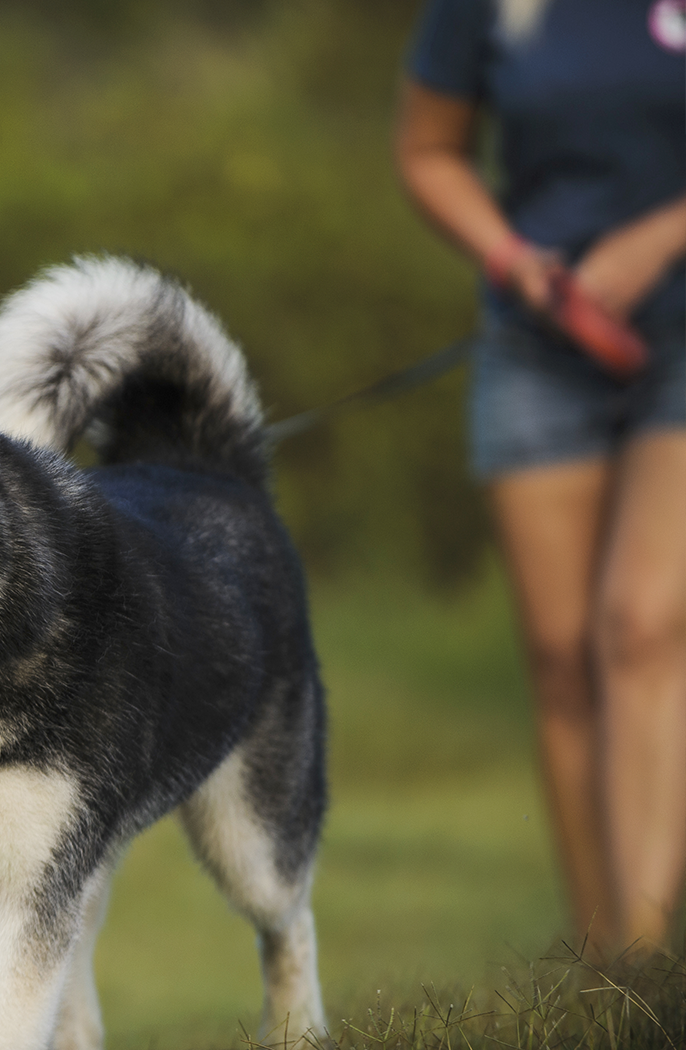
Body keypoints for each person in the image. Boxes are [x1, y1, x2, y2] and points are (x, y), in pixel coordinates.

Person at [395, 0, 686, 957]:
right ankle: (608, 958)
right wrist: (514, 262)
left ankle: (645, 965)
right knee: (563, 659)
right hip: (539, 345)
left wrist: (660, 236)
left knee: (643, 626)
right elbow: (430, 149)